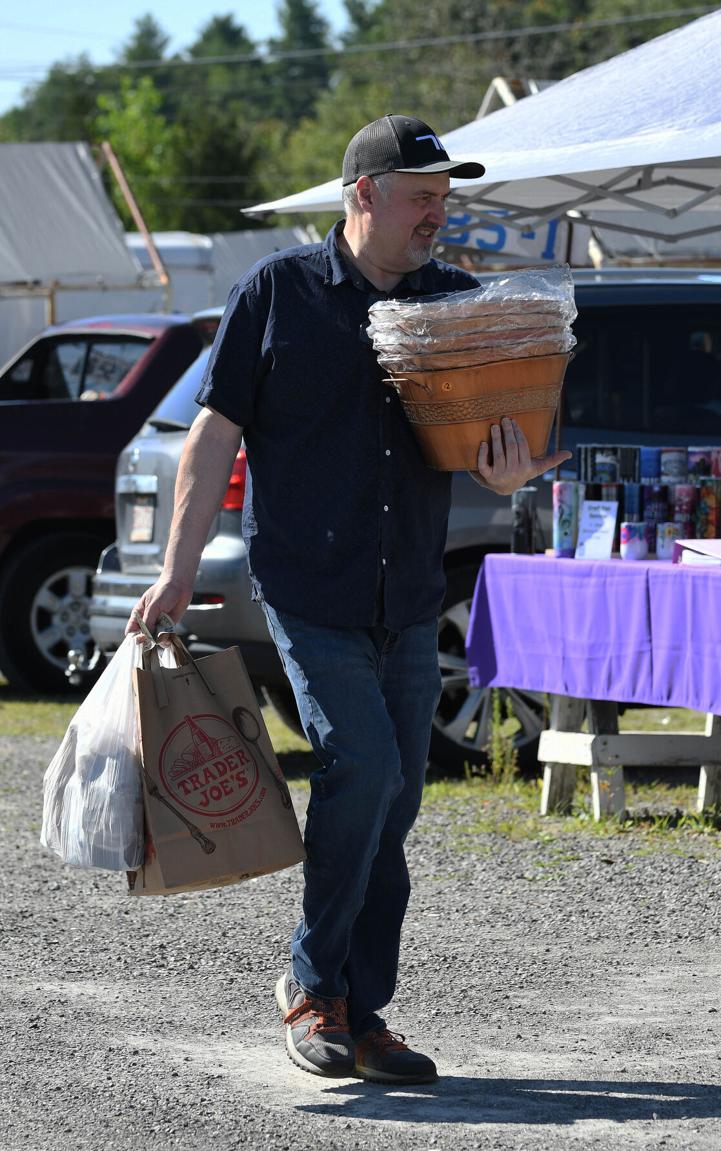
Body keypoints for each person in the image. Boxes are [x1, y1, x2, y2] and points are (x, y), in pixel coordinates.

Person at [127, 114, 571, 1085]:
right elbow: (211, 438)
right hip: (310, 588)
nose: (438, 217)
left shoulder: (452, 304)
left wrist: (506, 472)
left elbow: (497, 450)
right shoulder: (279, 292)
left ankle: (363, 1014)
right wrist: (176, 568)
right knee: (362, 766)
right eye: (422, 198)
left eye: (446, 200)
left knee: (395, 803)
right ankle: (312, 985)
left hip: (409, 590)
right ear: (362, 194)